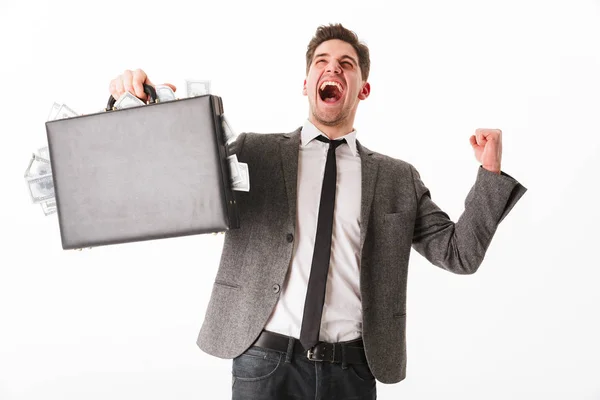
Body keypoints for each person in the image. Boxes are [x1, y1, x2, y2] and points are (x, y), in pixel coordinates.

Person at [109, 23, 527, 400]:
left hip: (353, 370)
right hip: (264, 361)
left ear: (363, 88)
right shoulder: (255, 152)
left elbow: (459, 253)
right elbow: (183, 185)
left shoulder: (398, 178)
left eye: (347, 64)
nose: (334, 68)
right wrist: (148, 106)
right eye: (322, 62)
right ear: (306, 83)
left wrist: (490, 173)